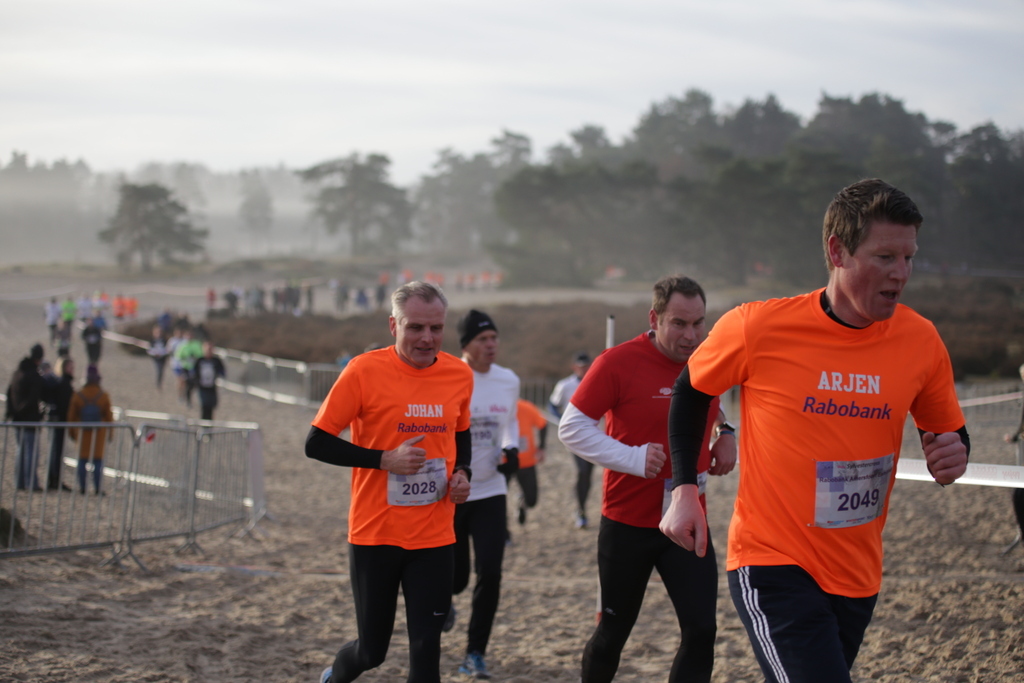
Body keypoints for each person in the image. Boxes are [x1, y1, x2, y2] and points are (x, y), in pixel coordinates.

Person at [661, 178, 970, 683]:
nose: (901, 273)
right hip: (772, 562)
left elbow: (950, 433)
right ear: (837, 251)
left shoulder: (920, 340)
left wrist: (955, 455)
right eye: (885, 257)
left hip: (858, 573)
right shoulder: (757, 327)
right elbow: (690, 391)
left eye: (908, 258)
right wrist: (684, 491)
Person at [558, 275, 736, 683]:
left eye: (699, 323)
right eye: (679, 323)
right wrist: (633, 458)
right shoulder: (617, 362)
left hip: (688, 521)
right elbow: (571, 428)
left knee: (702, 631)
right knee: (613, 634)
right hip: (628, 523)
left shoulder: (708, 358)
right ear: (655, 319)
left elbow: (712, 404)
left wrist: (725, 432)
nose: (691, 335)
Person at [306, 281, 474, 683]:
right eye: (415, 327)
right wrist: (384, 460)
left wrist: (463, 473)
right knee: (372, 651)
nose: (427, 338)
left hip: (434, 536)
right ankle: (334, 677)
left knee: (426, 651)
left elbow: (462, 433)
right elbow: (316, 443)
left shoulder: (459, 373)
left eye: (436, 328)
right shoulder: (363, 371)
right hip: (375, 534)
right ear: (393, 325)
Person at [449, 309, 520, 679]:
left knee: (490, 572)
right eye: (482, 339)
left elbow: (510, 423)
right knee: (457, 579)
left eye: (494, 337)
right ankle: (445, 601)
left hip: (492, 490)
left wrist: (511, 448)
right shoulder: (448, 376)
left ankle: (475, 653)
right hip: (452, 491)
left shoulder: (509, 380)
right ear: (466, 345)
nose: (491, 344)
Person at [549, 352, 593, 528]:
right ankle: (581, 511)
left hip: (594, 434)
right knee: (582, 470)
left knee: (588, 474)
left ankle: (582, 506)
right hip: (574, 435)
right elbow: (553, 404)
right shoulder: (565, 385)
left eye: (587, 366)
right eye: (581, 367)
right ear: (574, 367)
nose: (584, 370)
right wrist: (562, 420)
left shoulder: (597, 382)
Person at [67, 364, 115, 495]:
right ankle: (97, 488)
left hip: (82, 432)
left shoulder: (79, 395)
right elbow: (109, 416)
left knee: (82, 461)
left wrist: (72, 432)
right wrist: (110, 433)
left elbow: (71, 416)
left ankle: (83, 487)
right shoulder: (103, 395)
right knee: (97, 462)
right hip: (98, 433)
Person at [6, 343, 47, 491]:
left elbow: (9, 392)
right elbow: (34, 398)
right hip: (29, 419)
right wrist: (38, 413)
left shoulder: (18, 372)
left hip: (18, 418)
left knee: (21, 450)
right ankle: (31, 483)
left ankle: (19, 482)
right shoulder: (33, 375)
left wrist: (12, 412)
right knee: (31, 451)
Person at [510, 398, 548, 527]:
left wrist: (541, 448)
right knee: (498, 500)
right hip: (503, 461)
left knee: (532, 500)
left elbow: (543, 424)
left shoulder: (525, 407)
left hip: (526, 461)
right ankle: (503, 530)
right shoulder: (496, 408)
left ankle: (522, 503)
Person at [43, 358, 75, 491]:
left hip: (57, 421)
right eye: (70, 367)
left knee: (55, 450)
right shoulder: (63, 383)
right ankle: (54, 479)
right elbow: (64, 404)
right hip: (59, 421)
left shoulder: (59, 382)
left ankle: (53, 479)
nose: (72, 370)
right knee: (56, 450)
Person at [192, 341, 226, 421]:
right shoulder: (200, 360)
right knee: (204, 404)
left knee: (212, 405)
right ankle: (204, 423)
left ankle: (209, 423)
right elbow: (194, 371)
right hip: (202, 386)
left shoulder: (216, 360)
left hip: (211, 386)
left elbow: (222, 370)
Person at [174, 329, 204, 407]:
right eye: (187, 336)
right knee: (182, 381)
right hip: (184, 367)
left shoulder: (196, 344)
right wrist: (185, 357)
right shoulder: (182, 345)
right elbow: (178, 355)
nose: (189, 337)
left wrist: (194, 356)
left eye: (190, 336)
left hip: (193, 368)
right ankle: (180, 395)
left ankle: (188, 398)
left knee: (192, 384)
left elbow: (200, 355)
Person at [148, 326, 171, 390]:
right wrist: (154, 354)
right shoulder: (152, 340)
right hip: (156, 358)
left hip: (163, 357)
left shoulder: (164, 340)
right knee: (159, 369)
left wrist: (163, 353)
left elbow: (167, 349)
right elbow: (149, 350)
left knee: (161, 370)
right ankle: (158, 383)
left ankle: (160, 382)